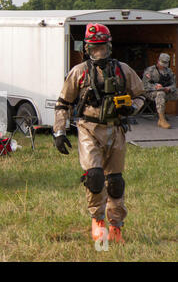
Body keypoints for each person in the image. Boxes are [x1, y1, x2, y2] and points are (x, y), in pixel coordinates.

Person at [53, 23, 146, 244]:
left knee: (115, 181)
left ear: (109, 46)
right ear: (87, 48)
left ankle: (116, 226)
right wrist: (58, 131)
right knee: (94, 177)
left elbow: (141, 94)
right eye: (94, 48)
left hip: (116, 129)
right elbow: (63, 103)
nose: (99, 52)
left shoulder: (123, 70)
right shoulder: (79, 72)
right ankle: (98, 222)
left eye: (102, 47)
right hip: (88, 129)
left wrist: (131, 107)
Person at [142, 53, 177, 129]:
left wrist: (169, 88)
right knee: (160, 93)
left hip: (166, 91)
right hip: (151, 92)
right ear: (158, 61)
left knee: (166, 92)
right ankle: (161, 119)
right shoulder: (150, 70)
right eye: (162, 63)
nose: (163, 66)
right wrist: (156, 86)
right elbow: (145, 85)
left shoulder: (169, 71)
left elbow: (174, 84)